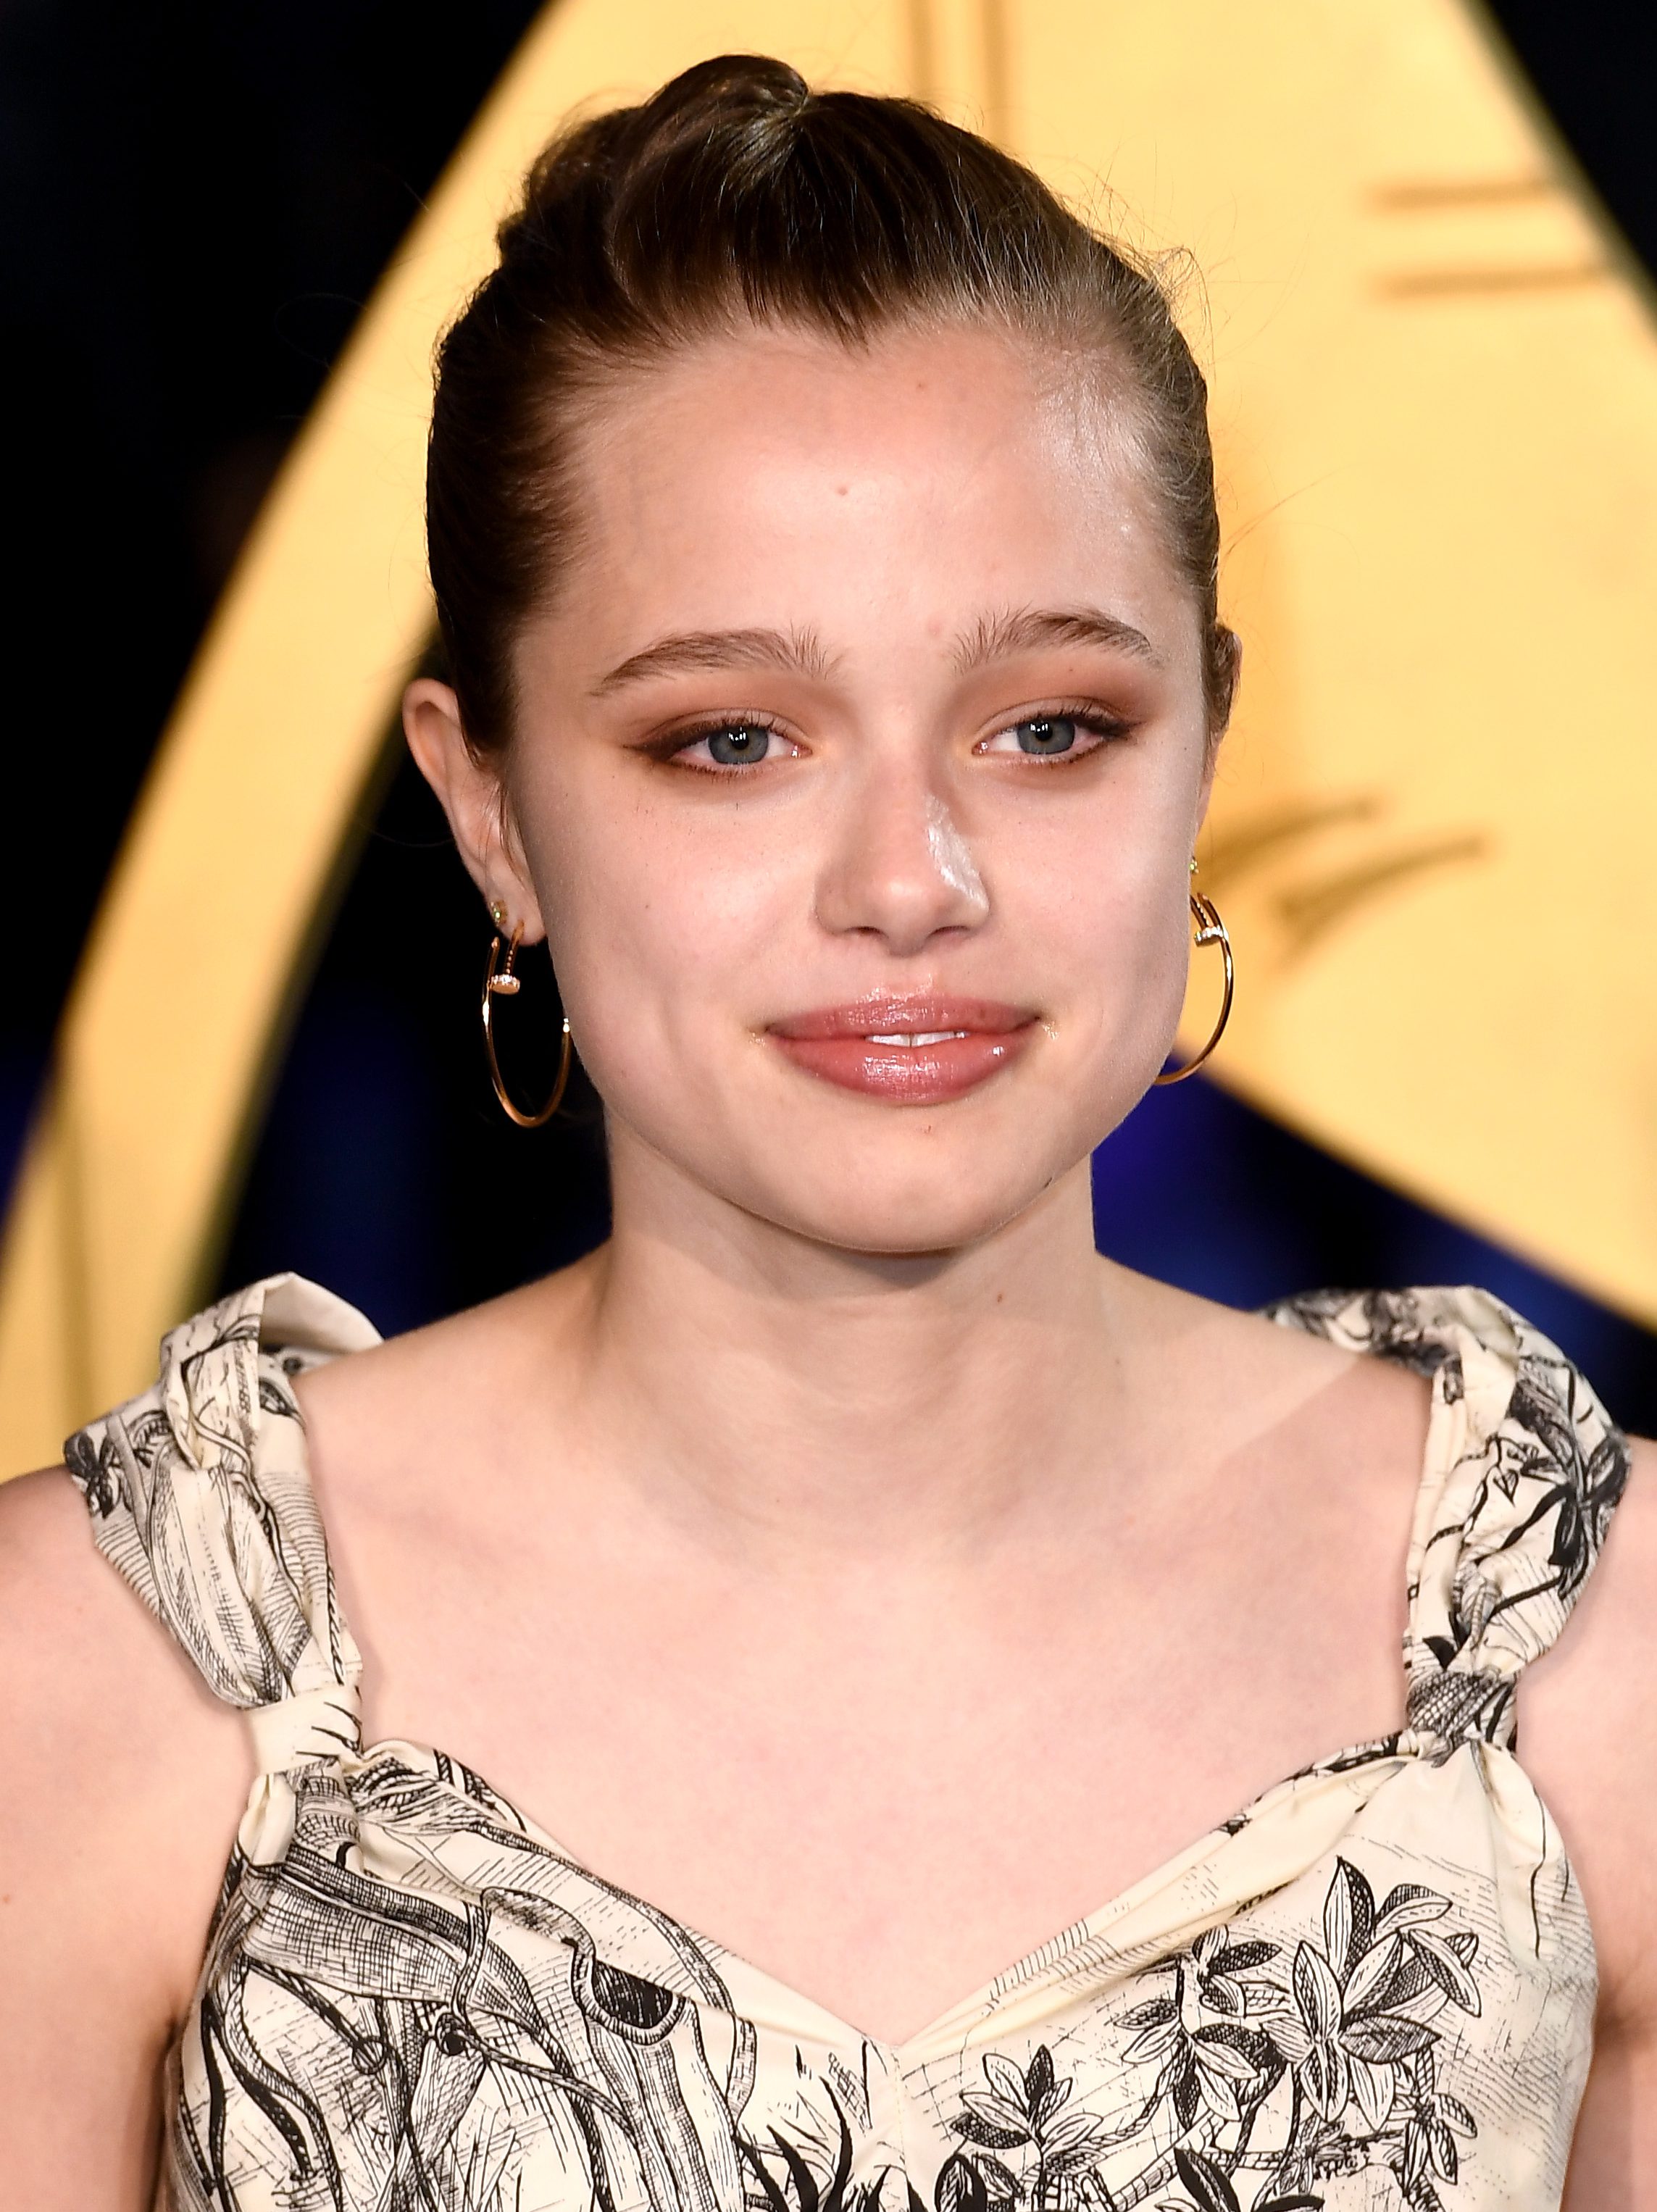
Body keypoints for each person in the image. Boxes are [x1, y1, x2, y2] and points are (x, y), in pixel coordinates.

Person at [0, 54, 1651, 2210]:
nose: (912, 878)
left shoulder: (1588, 1651)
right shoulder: (100, 1679)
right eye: (732, 740)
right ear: (487, 804)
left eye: (1052, 728)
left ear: (1208, 752)